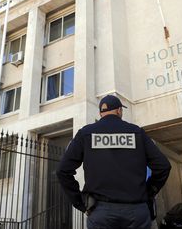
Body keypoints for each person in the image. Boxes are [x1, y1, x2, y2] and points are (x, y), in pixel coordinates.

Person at [57, 95, 171, 229]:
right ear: (119, 111)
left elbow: (62, 171)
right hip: (137, 211)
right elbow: (163, 166)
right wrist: (149, 191)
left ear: (101, 113)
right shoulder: (137, 133)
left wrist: (80, 202)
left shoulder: (86, 134)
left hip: (101, 213)